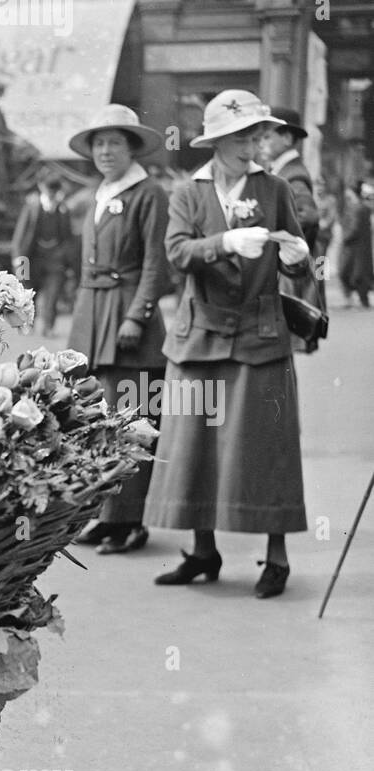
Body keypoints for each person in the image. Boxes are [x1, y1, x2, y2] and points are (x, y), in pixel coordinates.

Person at [145, 90, 312, 599]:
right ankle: (202, 551)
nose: (252, 144)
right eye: (241, 136)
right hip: (200, 335)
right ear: (216, 141)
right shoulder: (188, 194)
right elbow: (176, 253)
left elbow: (298, 252)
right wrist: (224, 243)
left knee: (267, 446)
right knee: (196, 444)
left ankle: (276, 559)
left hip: (260, 333)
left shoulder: (276, 187)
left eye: (256, 134)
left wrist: (296, 259)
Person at [65, 105, 170, 555]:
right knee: (97, 421)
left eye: (115, 142)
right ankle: (105, 517)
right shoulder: (101, 192)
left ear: (131, 147)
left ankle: (132, 522)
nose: (105, 151)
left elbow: (155, 262)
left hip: (130, 321)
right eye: (99, 143)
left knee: (134, 421)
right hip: (93, 316)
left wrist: (137, 314)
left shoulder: (149, 194)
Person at [11, 166, 76, 337]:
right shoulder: (32, 207)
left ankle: (48, 326)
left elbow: (68, 238)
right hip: (31, 258)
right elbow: (20, 235)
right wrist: (18, 259)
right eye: (49, 189)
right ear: (41, 187)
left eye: (55, 190)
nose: (52, 193)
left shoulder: (63, 209)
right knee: (28, 292)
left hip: (55, 258)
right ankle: (28, 324)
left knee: (53, 294)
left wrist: (68, 261)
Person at [259, 108, 319, 251]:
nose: (260, 144)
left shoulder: (293, 176)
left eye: (266, 137)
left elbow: (307, 219)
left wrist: (267, 238)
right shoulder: (282, 171)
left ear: (287, 138)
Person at [338, 184, 372, 308]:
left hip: (350, 246)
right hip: (357, 246)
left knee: (350, 272)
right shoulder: (358, 208)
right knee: (355, 273)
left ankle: (355, 300)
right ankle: (356, 300)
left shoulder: (356, 208)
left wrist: (345, 237)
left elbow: (354, 227)